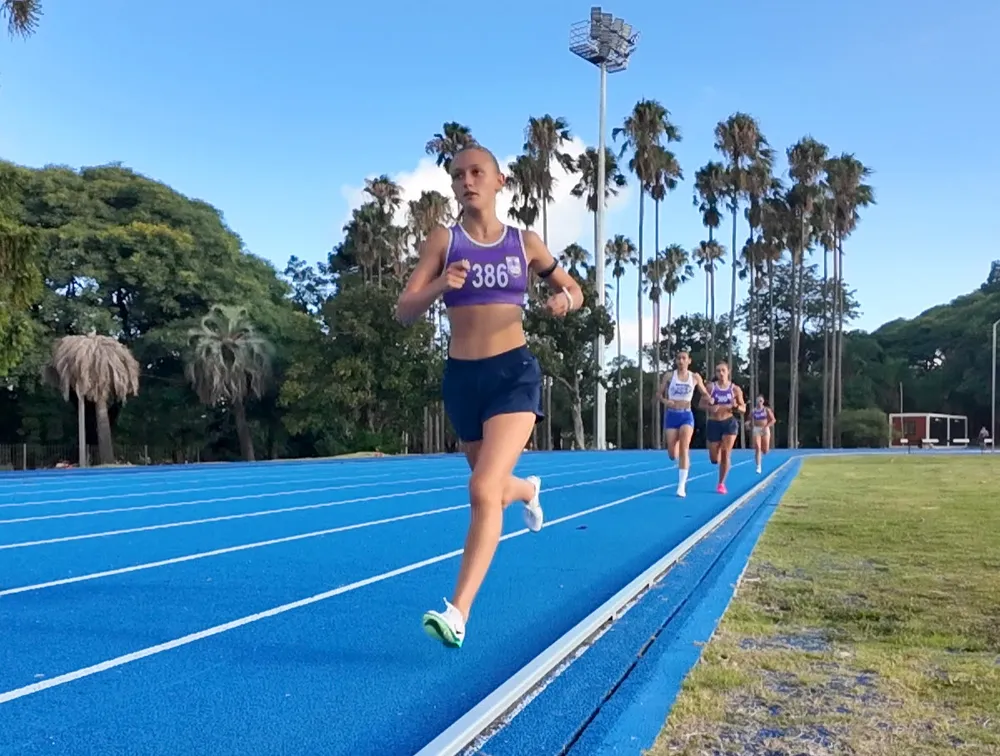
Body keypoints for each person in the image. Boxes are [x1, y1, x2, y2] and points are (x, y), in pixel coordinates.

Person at [394, 144, 583, 649]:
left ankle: (457, 612)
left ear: (500, 182)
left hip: (513, 374)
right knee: (494, 488)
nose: (466, 181)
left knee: (480, 490)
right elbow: (404, 309)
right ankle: (528, 490)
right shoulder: (443, 240)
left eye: (477, 172)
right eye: (458, 175)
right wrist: (439, 285)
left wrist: (563, 299)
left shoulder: (525, 242)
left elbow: (573, 288)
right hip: (462, 379)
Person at [657, 350, 713, 497]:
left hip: (686, 415)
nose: (681, 361)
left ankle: (681, 486)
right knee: (671, 453)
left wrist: (710, 398)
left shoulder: (694, 377)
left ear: (689, 361)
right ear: (676, 361)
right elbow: (659, 394)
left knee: (684, 448)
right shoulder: (669, 376)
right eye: (678, 358)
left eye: (684, 358)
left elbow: (703, 392)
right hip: (671, 416)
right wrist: (665, 401)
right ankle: (675, 452)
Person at [699, 362, 746, 494]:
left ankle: (721, 483)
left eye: (723, 370)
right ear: (715, 373)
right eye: (718, 371)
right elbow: (700, 404)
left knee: (726, 452)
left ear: (728, 372)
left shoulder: (735, 389)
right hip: (714, 423)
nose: (721, 373)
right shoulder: (710, 388)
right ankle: (719, 457)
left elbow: (743, 408)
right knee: (714, 459)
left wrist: (736, 407)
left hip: (729, 423)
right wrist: (710, 407)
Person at [750, 395, 776, 474]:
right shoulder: (753, 411)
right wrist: (748, 424)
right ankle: (758, 466)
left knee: (765, 450)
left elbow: (773, 420)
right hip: (757, 429)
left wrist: (767, 426)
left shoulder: (766, 410)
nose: (759, 403)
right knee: (757, 447)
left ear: (763, 402)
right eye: (758, 401)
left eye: (761, 401)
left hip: (765, 429)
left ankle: (763, 451)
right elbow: (750, 420)